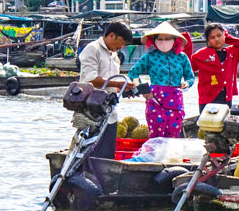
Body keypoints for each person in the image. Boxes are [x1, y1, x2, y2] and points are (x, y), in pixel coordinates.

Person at [78, 21, 136, 159]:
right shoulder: (93, 49)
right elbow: (92, 79)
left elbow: (111, 84)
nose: (122, 47)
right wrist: (119, 83)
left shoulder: (115, 56)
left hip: (109, 110)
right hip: (91, 109)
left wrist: (123, 89)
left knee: (106, 150)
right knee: (87, 149)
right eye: (121, 42)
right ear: (111, 35)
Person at [127, 22, 195, 138]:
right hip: (154, 99)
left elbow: (190, 77)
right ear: (154, 40)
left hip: (175, 100)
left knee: (174, 135)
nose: (164, 42)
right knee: (156, 136)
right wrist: (142, 89)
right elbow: (133, 73)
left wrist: (187, 83)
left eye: (167, 39)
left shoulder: (182, 57)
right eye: (160, 39)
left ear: (175, 40)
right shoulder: (149, 57)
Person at [191, 23, 239, 114]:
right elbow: (188, 68)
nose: (217, 39)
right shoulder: (201, 55)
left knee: (225, 120)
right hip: (208, 98)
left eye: (219, 35)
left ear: (224, 35)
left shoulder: (232, 53)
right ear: (208, 40)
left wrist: (228, 38)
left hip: (226, 97)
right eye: (212, 37)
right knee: (208, 121)